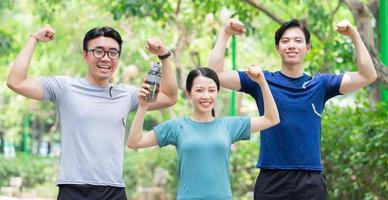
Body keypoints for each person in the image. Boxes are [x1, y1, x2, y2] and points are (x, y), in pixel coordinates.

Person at [208, 19, 377, 199]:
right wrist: (225, 33)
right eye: (285, 41)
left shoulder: (321, 84)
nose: (291, 46)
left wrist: (354, 35)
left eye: (298, 41)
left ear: (307, 47)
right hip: (271, 179)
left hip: (310, 181)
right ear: (277, 47)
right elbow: (214, 75)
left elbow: (368, 76)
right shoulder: (261, 80)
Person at [6, 25, 177, 199]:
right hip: (73, 190)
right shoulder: (64, 87)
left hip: (114, 190)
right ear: (85, 55)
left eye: (113, 52)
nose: (106, 58)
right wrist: (34, 38)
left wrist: (164, 55)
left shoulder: (127, 95)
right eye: (99, 51)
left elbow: (170, 97)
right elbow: (16, 82)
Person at [127, 67, 279, 200]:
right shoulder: (177, 126)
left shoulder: (229, 125)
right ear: (189, 93)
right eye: (199, 90)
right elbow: (135, 142)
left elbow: (271, 119)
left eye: (211, 90)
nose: (206, 96)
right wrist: (143, 106)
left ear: (217, 92)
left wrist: (262, 82)